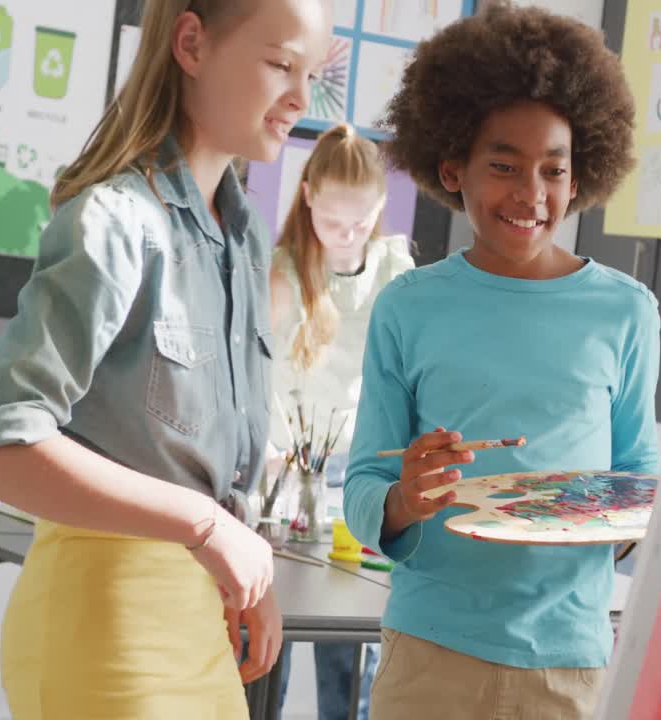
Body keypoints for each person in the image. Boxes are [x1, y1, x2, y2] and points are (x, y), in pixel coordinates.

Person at [0, 1, 331, 717]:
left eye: (314, 75)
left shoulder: (245, 241)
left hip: (201, 627)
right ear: (191, 43)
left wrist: (245, 562)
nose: (302, 99)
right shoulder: (114, 222)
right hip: (103, 632)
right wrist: (208, 526)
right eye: (281, 65)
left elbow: (210, 469)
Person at [342, 3, 658, 719]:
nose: (531, 194)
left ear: (580, 177)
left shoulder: (627, 311)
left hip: (568, 662)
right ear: (453, 168)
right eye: (504, 166)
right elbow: (365, 482)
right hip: (431, 654)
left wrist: (610, 520)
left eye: (554, 170)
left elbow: (637, 476)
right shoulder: (408, 306)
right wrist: (404, 499)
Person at [264, 121, 415, 720]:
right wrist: (267, 455)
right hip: (285, 474)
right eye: (332, 222)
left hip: (359, 476)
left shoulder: (394, 269)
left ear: (380, 207)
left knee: (348, 655)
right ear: (307, 196)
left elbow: (409, 375)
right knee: (269, 641)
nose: (348, 236)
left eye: (361, 221)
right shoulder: (283, 272)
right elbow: (250, 373)